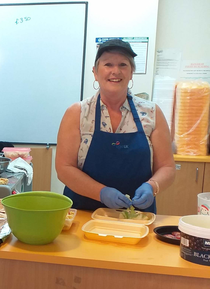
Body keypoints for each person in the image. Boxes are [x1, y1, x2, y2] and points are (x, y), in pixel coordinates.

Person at [55, 39, 175, 213]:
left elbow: (167, 167)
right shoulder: (77, 113)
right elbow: (64, 169)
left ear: (132, 72)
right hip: (84, 216)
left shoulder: (151, 113)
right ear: (95, 72)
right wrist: (101, 192)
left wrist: (153, 186)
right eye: (108, 64)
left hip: (136, 216)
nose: (116, 71)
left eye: (123, 65)